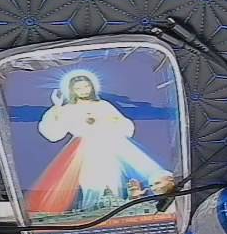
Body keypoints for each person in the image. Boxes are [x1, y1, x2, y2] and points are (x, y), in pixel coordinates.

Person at [31, 71, 175, 214]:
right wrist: (56, 108)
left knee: (112, 180)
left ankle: (115, 212)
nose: (83, 90)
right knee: (91, 182)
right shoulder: (67, 109)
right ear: (72, 91)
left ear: (92, 87)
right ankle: (92, 212)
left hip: (108, 148)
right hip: (85, 152)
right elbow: (54, 134)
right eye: (78, 88)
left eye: (86, 86)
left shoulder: (103, 105)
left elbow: (125, 126)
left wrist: (110, 121)